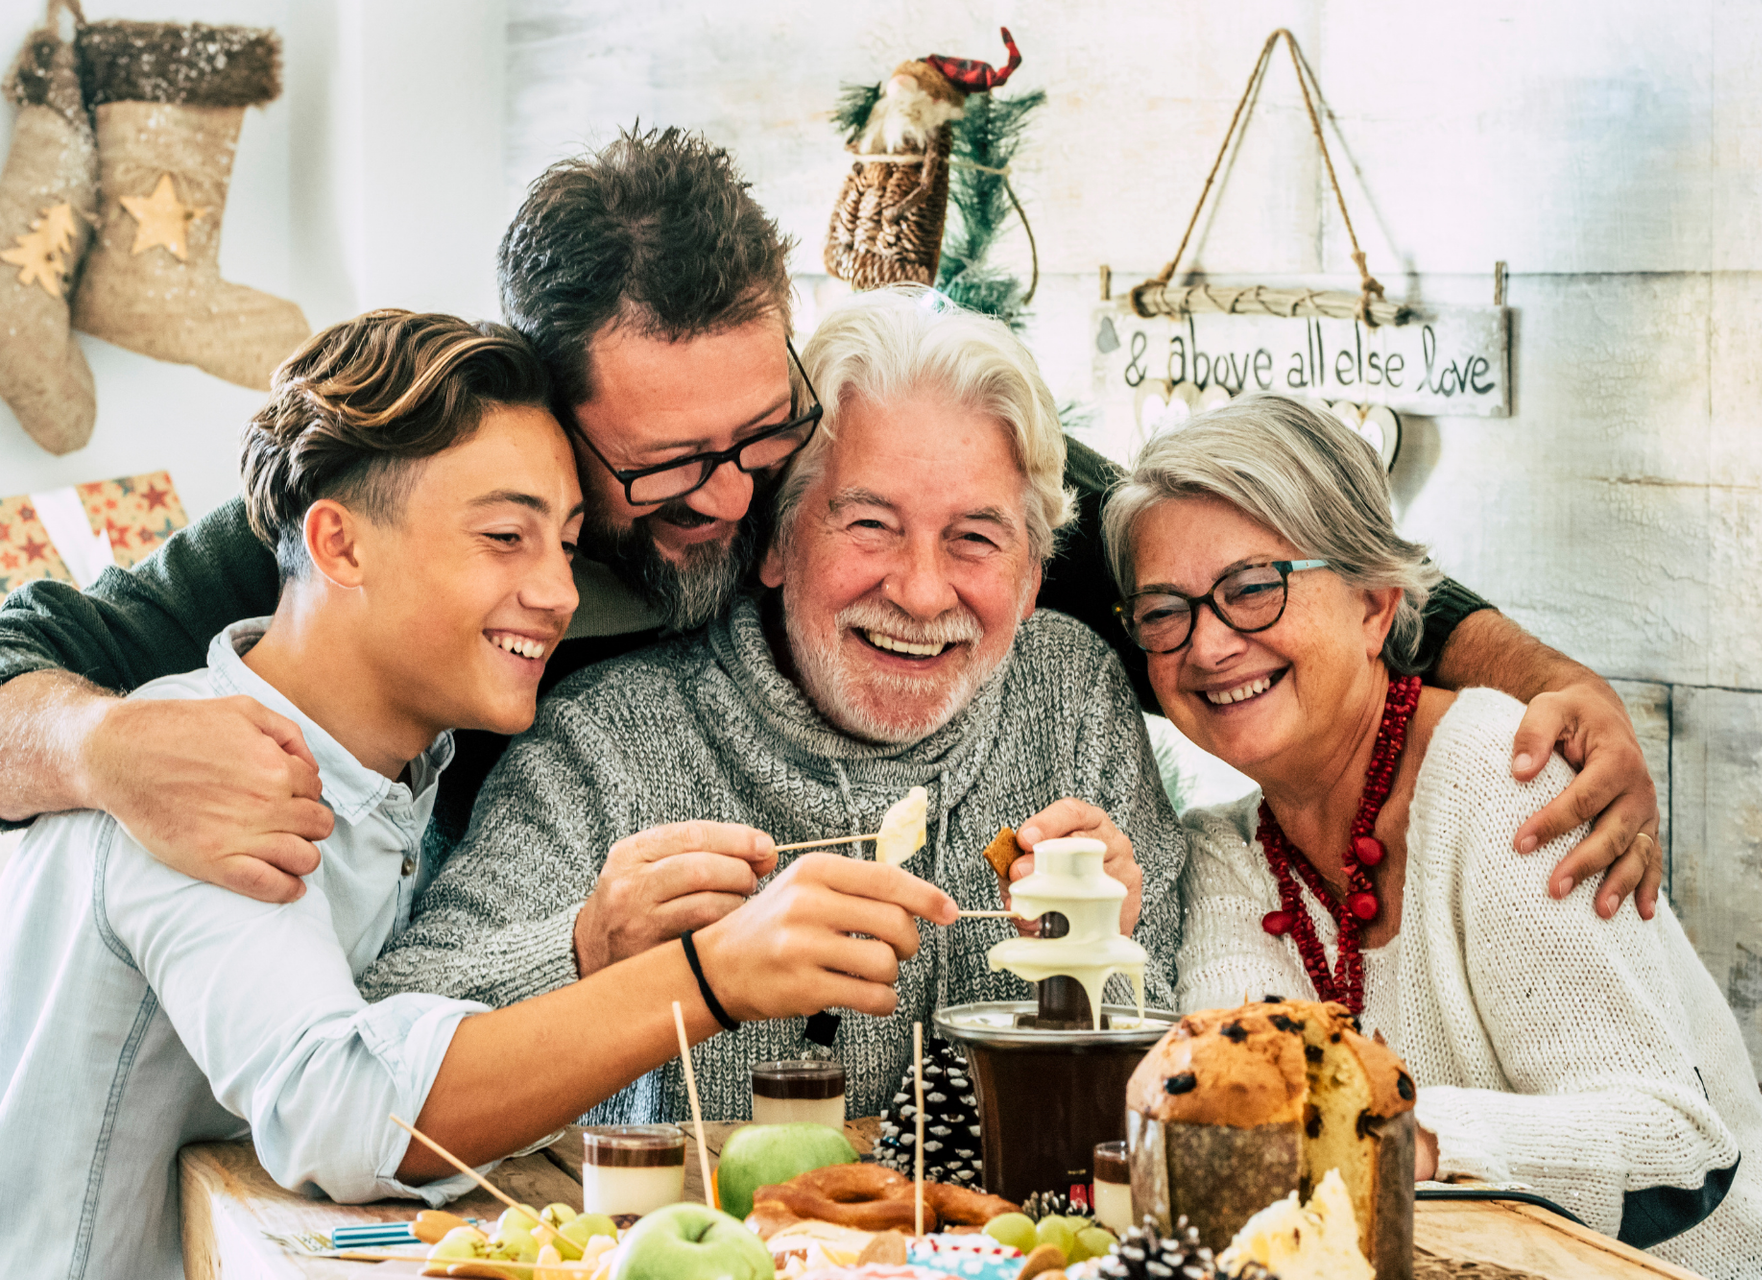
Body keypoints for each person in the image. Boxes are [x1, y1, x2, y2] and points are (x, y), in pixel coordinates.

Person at [0, 128, 1658, 963]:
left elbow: (1236, 549)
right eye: (665, 468)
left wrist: (1540, 675)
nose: (733, 498)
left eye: (763, 435)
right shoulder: (425, 478)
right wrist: (104, 744)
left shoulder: (881, 461)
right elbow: (28, 660)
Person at [0, 311, 955, 1280]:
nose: (559, 592)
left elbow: (400, 1031)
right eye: (505, 535)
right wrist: (711, 975)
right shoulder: (208, 772)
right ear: (339, 544)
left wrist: (594, 947)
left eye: (568, 542)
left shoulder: (416, 771)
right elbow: (337, 1106)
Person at [1102, 394, 1762, 1279]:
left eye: (1254, 588)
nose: (1208, 645)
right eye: (1164, 611)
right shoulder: (1227, 856)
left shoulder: (1505, 770)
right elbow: (1253, 1130)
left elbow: (1673, 1145)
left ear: (1375, 605)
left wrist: (1397, 1134)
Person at [357, 285, 1182, 1123]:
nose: (925, 593)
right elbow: (384, 1047)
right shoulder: (605, 742)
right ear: (778, 542)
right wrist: (587, 946)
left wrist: (1105, 956)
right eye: (870, 524)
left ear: (1034, 572)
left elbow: (1182, 1060)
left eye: (975, 537)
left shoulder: (1071, 695)